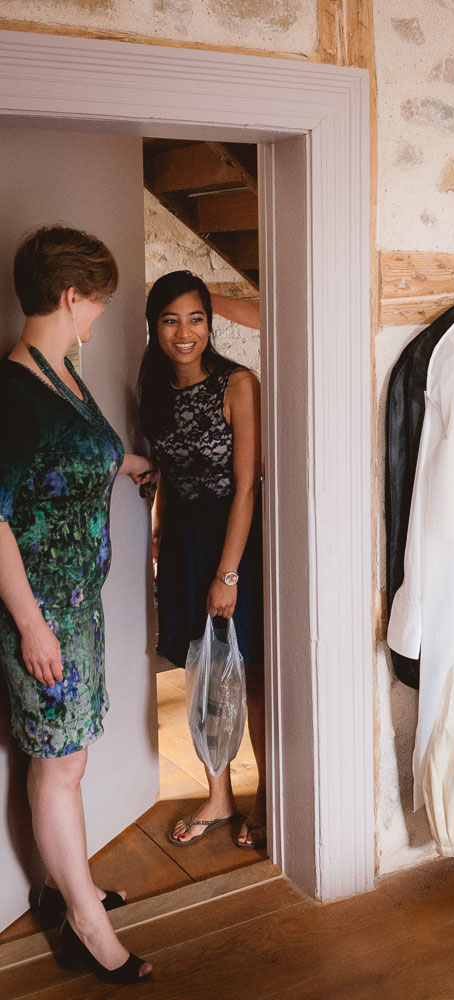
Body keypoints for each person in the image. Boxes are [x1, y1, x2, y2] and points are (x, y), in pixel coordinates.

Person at [0, 226, 154, 984]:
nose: (99, 314)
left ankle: (67, 888)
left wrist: (129, 464)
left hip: (79, 610)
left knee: (70, 757)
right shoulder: (11, 393)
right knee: (59, 763)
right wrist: (31, 625)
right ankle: (88, 925)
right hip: (41, 616)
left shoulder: (62, 372)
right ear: (71, 295)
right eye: (97, 301)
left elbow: (74, 453)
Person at [139, 271, 266, 850]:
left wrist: (227, 574)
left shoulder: (238, 384)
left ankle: (266, 795)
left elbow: (246, 488)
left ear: (211, 323)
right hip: (184, 545)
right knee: (202, 672)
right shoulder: (155, 387)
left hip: (233, 542)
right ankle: (219, 796)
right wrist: (158, 531)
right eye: (170, 320)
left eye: (195, 319)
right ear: (154, 326)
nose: (184, 332)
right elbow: (167, 472)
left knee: (250, 672)